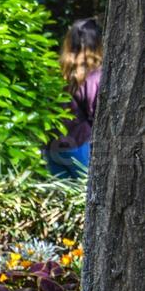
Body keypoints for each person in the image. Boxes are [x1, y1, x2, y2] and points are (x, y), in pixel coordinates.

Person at [45, 18, 103, 179]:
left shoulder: (55, 72)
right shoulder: (96, 75)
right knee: (89, 198)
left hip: (52, 148)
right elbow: (97, 113)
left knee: (61, 200)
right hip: (80, 146)